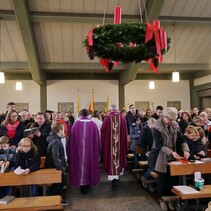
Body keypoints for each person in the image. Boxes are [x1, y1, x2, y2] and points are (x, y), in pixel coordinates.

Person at [148, 107, 190, 211]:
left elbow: (181, 139)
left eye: (172, 120)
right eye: (169, 120)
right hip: (159, 156)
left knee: (173, 179)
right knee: (163, 180)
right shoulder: (156, 127)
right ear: (164, 116)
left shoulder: (175, 124)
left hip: (173, 155)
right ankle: (163, 200)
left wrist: (186, 150)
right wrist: (171, 152)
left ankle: (171, 200)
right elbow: (158, 145)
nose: (170, 122)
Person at [67, 108, 100, 194]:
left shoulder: (75, 124)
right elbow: (97, 140)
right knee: (89, 165)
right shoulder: (93, 125)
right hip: (90, 152)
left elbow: (71, 140)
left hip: (78, 152)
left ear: (80, 114)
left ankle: (82, 186)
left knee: (80, 167)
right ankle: (88, 183)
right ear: (88, 114)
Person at [101, 104, 128, 191]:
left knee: (111, 160)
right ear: (117, 110)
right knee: (118, 160)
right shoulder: (122, 119)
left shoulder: (107, 119)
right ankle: (117, 178)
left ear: (110, 110)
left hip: (110, 147)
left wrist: (104, 145)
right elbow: (125, 134)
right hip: (119, 146)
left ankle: (113, 180)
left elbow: (103, 133)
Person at [45, 121, 68, 206]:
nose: (64, 131)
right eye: (63, 129)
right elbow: (55, 156)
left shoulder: (54, 138)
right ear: (59, 131)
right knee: (57, 185)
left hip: (54, 167)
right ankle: (55, 201)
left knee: (57, 185)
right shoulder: (56, 141)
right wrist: (61, 167)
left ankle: (56, 199)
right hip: (55, 168)